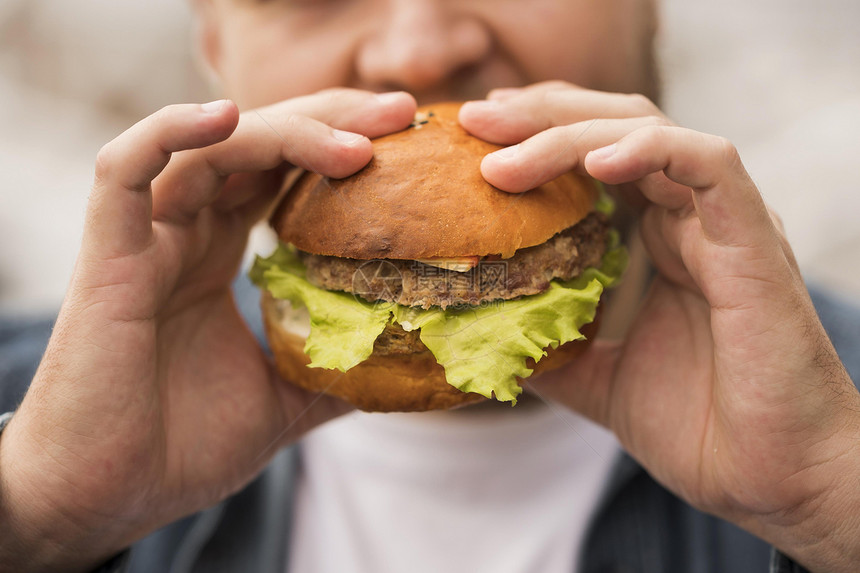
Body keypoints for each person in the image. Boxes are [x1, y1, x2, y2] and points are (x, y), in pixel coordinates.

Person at [1, 0, 859, 571]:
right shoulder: (26, 433)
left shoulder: (838, 440)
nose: (418, 49)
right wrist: (39, 523)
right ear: (215, 46)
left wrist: (829, 502)